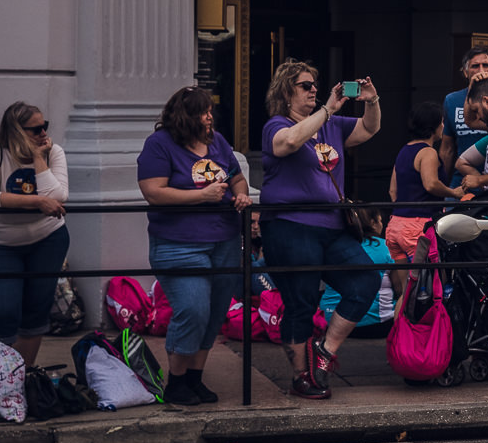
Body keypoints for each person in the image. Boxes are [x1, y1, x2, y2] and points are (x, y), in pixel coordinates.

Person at [260, 60, 384, 399]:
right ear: (286, 91)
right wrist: (327, 110)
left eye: (315, 84)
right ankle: (302, 376)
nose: (313, 89)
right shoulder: (276, 124)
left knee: (365, 279)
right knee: (300, 301)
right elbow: (286, 143)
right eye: (305, 85)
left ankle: (325, 351)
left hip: (331, 226)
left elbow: (369, 129)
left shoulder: (330, 125)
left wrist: (371, 101)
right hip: (289, 227)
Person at [138, 87, 253, 405]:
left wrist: (241, 193)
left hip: (225, 241)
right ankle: (175, 381)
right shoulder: (159, 145)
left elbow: (236, 178)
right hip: (179, 244)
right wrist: (199, 196)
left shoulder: (217, 141)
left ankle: (194, 379)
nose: (209, 116)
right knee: (193, 309)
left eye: (210, 110)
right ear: (185, 116)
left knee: (215, 312)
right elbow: (153, 192)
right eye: (203, 111)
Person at [0, 102, 69, 368]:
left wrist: (38, 158)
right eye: (35, 129)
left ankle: (21, 381)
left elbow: (58, 197)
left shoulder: (52, 151)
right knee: (1, 310)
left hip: (46, 239)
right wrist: (37, 203)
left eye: (44, 126)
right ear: (15, 131)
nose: (43, 133)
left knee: (36, 310)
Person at [386, 101, 456, 299]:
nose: (443, 126)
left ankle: (402, 329)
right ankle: (435, 329)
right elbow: (431, 184)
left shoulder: (404, 151)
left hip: (395, 225)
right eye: (441, 122)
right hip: (419, 227)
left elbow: (393, 191)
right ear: (434, 127)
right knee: (436, 287)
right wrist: (455, 193)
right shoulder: (428, 152)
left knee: (405, 292)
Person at [441, 47, 488, 171]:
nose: (481, 70)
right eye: (475, 66)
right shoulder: (452, 100)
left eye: (486, 65)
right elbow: (447, 149)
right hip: (463, 178)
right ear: (466, 73)